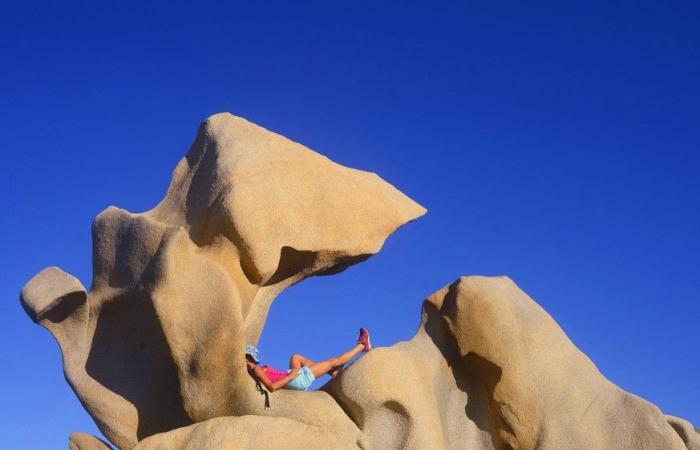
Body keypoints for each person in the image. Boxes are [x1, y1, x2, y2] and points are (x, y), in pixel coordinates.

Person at [245, 328, 372, 392]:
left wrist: (291, 373)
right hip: (294, 380)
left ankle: (332, 372)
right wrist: (292, 375)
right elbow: (272, 387)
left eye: (250, 359)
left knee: (296, 357)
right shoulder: (257, 369)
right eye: (247, 359)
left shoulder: (254, 371)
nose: (248, 362)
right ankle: (362, 345)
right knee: (333, 362)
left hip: (292, 378)